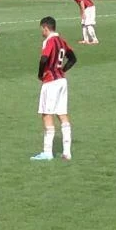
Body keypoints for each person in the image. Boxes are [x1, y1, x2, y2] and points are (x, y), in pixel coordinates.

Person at [31, 16, 77, 161]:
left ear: (46, 28)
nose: (42, 32)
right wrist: (62, 70)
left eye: (42, 29)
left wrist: (40, 74)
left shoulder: (49, 41)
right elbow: (73, 58)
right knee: (62, 114)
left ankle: (47, 152)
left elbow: (44, 58)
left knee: (47, 114)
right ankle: (67, 152)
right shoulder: (62, 41)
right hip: (62, 81)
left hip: (50, 82)